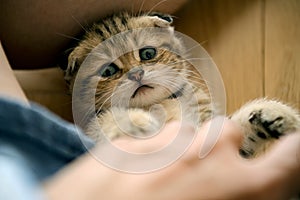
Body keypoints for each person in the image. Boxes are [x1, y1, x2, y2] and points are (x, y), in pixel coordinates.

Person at [0, 1, 300, 199]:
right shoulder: (109, 121)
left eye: (147, 54)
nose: (135, 73)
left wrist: (243, 131)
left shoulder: (194, 101)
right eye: (109, 70)